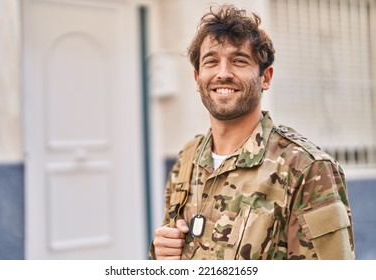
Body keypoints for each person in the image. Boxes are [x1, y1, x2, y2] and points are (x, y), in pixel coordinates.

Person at [150, 4, 355, 260]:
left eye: (239, 61)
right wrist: (161, 254)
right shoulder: (187, 159)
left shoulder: (305, 169)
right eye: (211, 61)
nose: (223, 73)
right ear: (197, 78)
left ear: (265, 78)